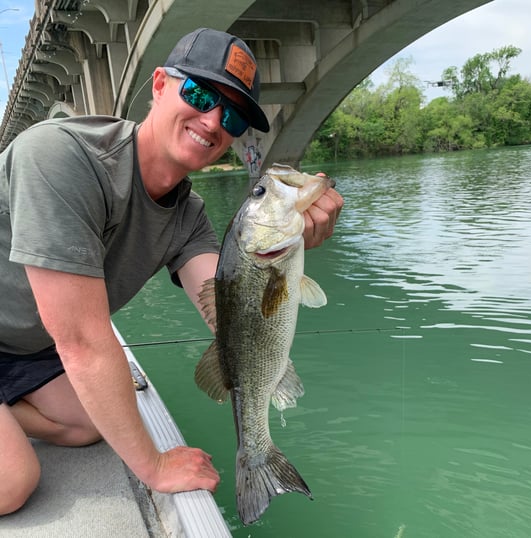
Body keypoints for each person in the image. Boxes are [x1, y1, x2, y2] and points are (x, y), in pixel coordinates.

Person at [0, 28, 343, 515]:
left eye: (234, 115)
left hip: (22, 348)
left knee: (93, 422)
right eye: (201, 94)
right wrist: (155, 467)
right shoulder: (59, 157)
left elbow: (232, 315)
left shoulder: (188, 215)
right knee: (12, 481)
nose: (213, 121)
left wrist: (290, 247)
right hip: (36, 343)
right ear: (159, 84)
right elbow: (80, 340)